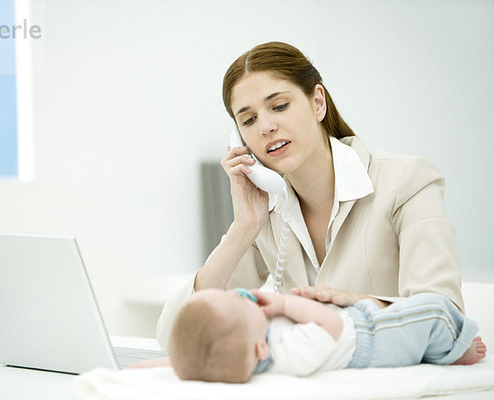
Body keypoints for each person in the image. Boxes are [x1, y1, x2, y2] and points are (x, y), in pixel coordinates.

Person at [156, 41, 465, 349]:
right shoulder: (266, 214)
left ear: (318, 102)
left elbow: (445, 321)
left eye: (279, 106)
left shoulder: (406, 180)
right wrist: (243, 228)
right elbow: (175, 335)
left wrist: (352, 305)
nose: (266, 126)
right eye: (248, 120)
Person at [168, 288, 486, 383]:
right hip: (371, 340)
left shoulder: (252, 345)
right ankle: (455, 350)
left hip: (357, 320)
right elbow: (329, 326)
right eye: (238, 303)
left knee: (419, 311)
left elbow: (189, 357)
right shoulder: (286, 354)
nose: (241, 296)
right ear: (261, 348)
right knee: (430, 309)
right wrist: (283, 303)